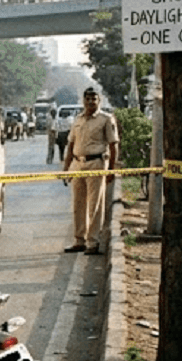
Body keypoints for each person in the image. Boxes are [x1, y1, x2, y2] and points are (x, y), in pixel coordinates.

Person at [62, 88, 119, 255]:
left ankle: (92, 242)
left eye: (93, 99)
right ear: (83, 100)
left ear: (99, 101)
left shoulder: (106, 119)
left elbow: (113, 145)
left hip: (97, 163)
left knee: (95, 205)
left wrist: (111, 170)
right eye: (87, 99)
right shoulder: (78, 120)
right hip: (78, 164)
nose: (90, 102)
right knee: (78, 204)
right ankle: (79, 240)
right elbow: (71, 145)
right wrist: (66, 168)